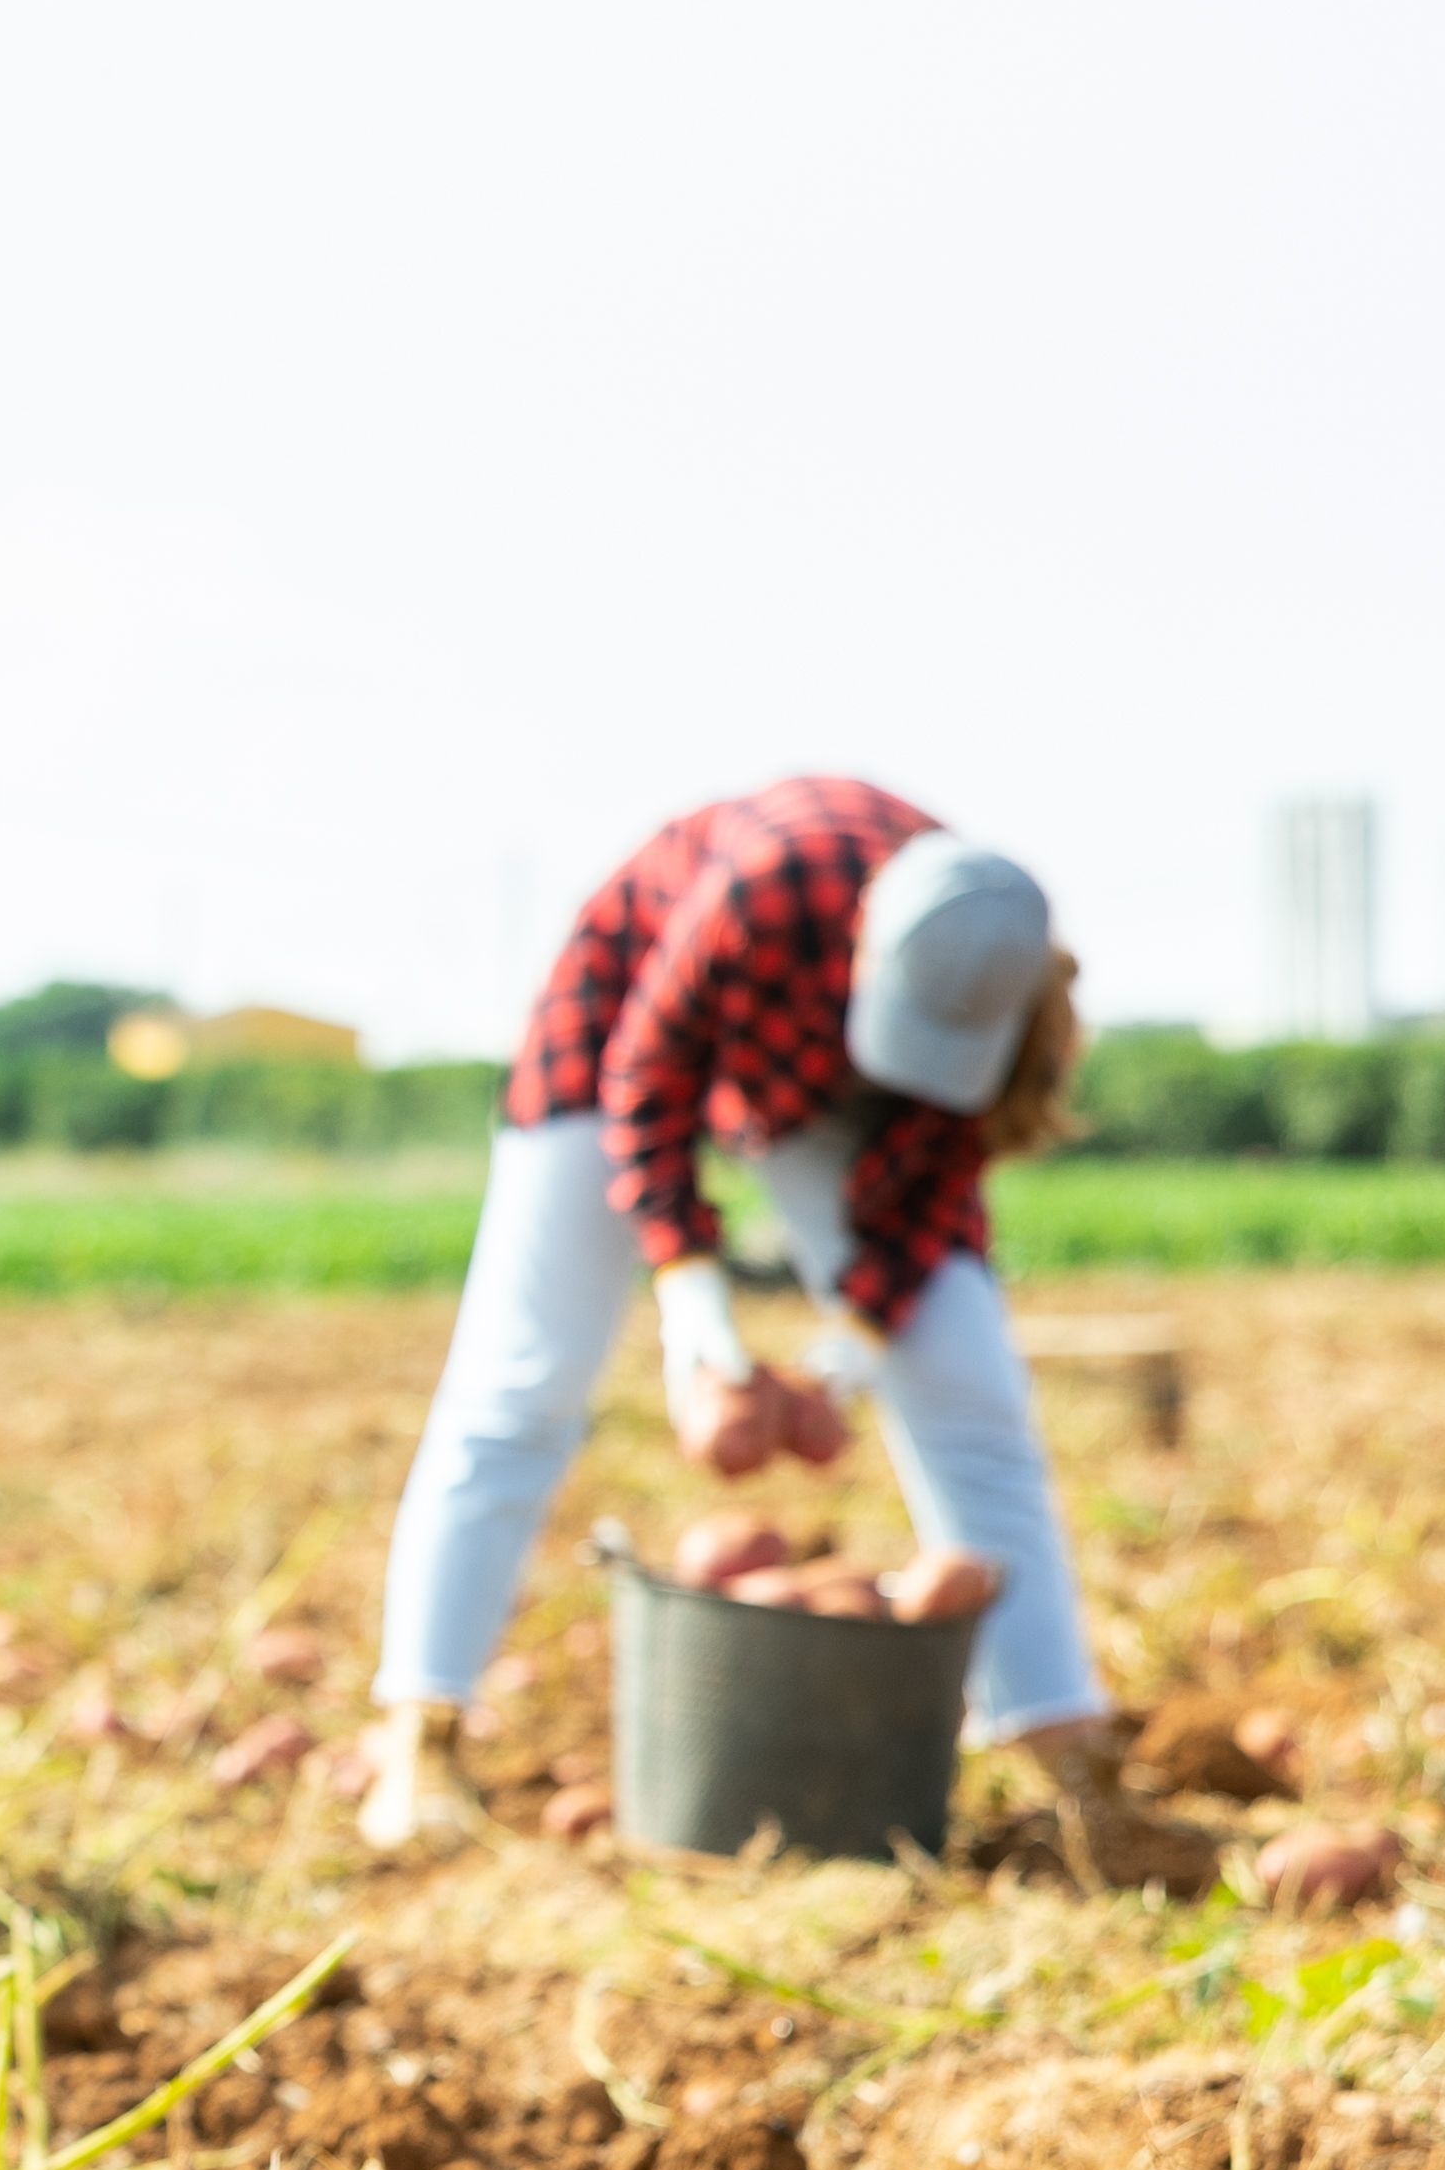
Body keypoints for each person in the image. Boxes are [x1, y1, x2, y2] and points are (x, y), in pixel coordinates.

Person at [359, 778, 1161, 1866]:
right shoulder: (770, 884)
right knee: (523, 1374)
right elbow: (647, 1080)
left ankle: (1065, 1747)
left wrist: (848, 1354)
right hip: (621, 1029)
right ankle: (420, 1734)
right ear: (864, 955)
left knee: (968, 1379)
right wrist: (698, 1316)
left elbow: (924, 1191)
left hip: (814, 1080)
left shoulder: (989, 968)